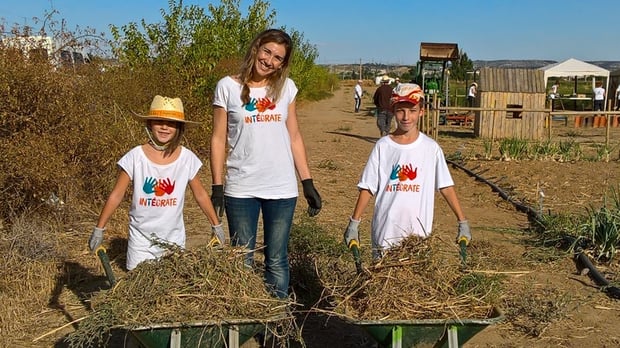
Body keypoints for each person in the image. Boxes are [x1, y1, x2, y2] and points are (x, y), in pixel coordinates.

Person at [210, 28, 322, 299]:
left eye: (278, 58)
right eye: (267, 52)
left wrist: (307, 181)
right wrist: (217, 186)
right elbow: (217, 139)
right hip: (241, 188)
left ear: (283, 64)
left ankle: (276, 327)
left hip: (281, 188)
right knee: (242, 260)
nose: (269, 60)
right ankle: (245, 320)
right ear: (256, 48)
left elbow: (294, 136)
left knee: (276, 259)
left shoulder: (286, 89)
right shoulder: (227, 87)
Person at [88, 95, 225, 271]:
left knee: (170, 289)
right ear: (150, 124)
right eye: (159, 121)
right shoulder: (135, 157)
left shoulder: (186, 158)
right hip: (141, 241)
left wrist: (216, 225)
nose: (164, 127)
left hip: (173, 241)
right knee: (140, 288)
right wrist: (100, 228)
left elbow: (200, 194)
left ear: (179, 128)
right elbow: (117, 194)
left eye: (171, 123)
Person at [343, 83, 471, 259]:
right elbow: (368, 187)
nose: (406, 117)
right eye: (401, 111)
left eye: (412, 110)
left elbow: (446, 187)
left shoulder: (430, 148)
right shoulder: (383, 146)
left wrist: (462, 221)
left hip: (418, 236)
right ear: (393, 110)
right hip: (385, 232)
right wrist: (354, 223)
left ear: (421, 111)